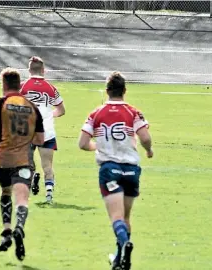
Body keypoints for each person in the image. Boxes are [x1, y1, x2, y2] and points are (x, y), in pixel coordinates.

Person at [78, 71, 153, 270]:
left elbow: (83, 143)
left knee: (116, 218)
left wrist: (99, 147)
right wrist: (149, 150)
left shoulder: (97, 113)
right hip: (131, 170)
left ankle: (125, 244)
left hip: (110, 169)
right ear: (125, 90)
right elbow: (145, 138)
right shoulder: (133, 112)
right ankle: (120, 259)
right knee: (126, 217)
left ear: (107, 90)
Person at [0, 68, 44, 261]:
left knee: (6, 192)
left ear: (3, 85)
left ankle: (7, 231)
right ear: (20, 85)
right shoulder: (32, 107)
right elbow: (40, 140)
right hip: (23, 160)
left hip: (1, 159)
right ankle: (19, 227)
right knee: (22, 199)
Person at [20, 56, 65, 203]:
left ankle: (30, 183)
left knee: (27, 163)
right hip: (47, 131)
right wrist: (48, 115)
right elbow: (61, 110)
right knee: (47, 166)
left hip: (28, 131)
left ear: (29, 70)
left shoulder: (22, 87)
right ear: (43, 70)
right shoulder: (51, 88)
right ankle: (49, 195)